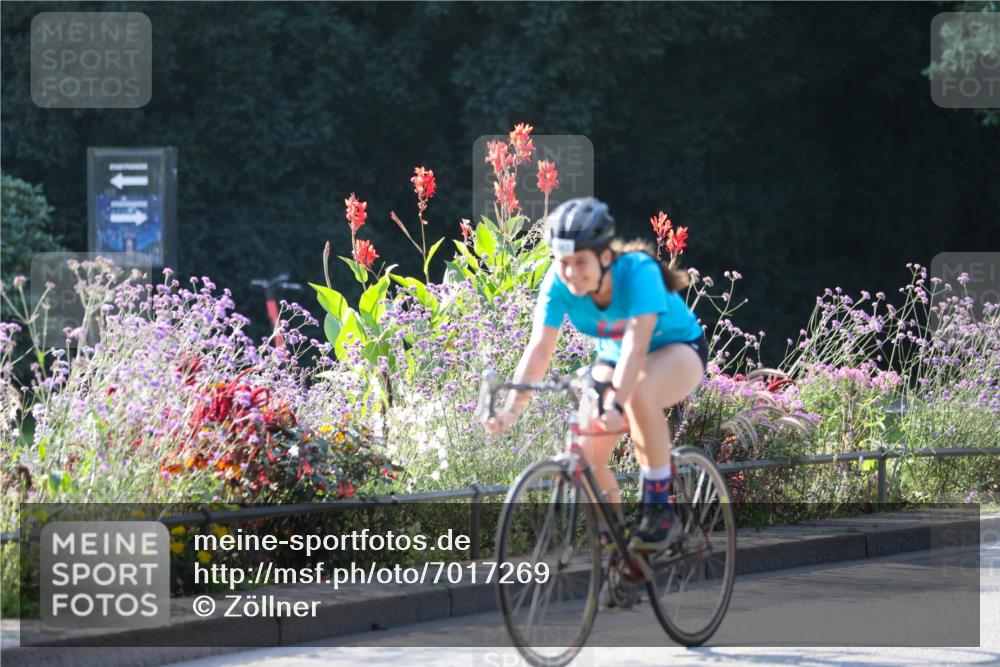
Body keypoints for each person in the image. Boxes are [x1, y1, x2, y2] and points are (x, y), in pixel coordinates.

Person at [482, 196, 708, 554]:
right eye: (563, 263)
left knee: (637, 393)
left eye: (580, 262)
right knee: (586, 455)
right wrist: (512, 408)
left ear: (604, 257)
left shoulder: (637, 272)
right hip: (615, 359)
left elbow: (636, 345)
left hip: (677, 349)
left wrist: (616, 402)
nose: (571, 273)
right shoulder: (557, 283)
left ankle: (659, 510)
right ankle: (619, 548)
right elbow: (539, 349)